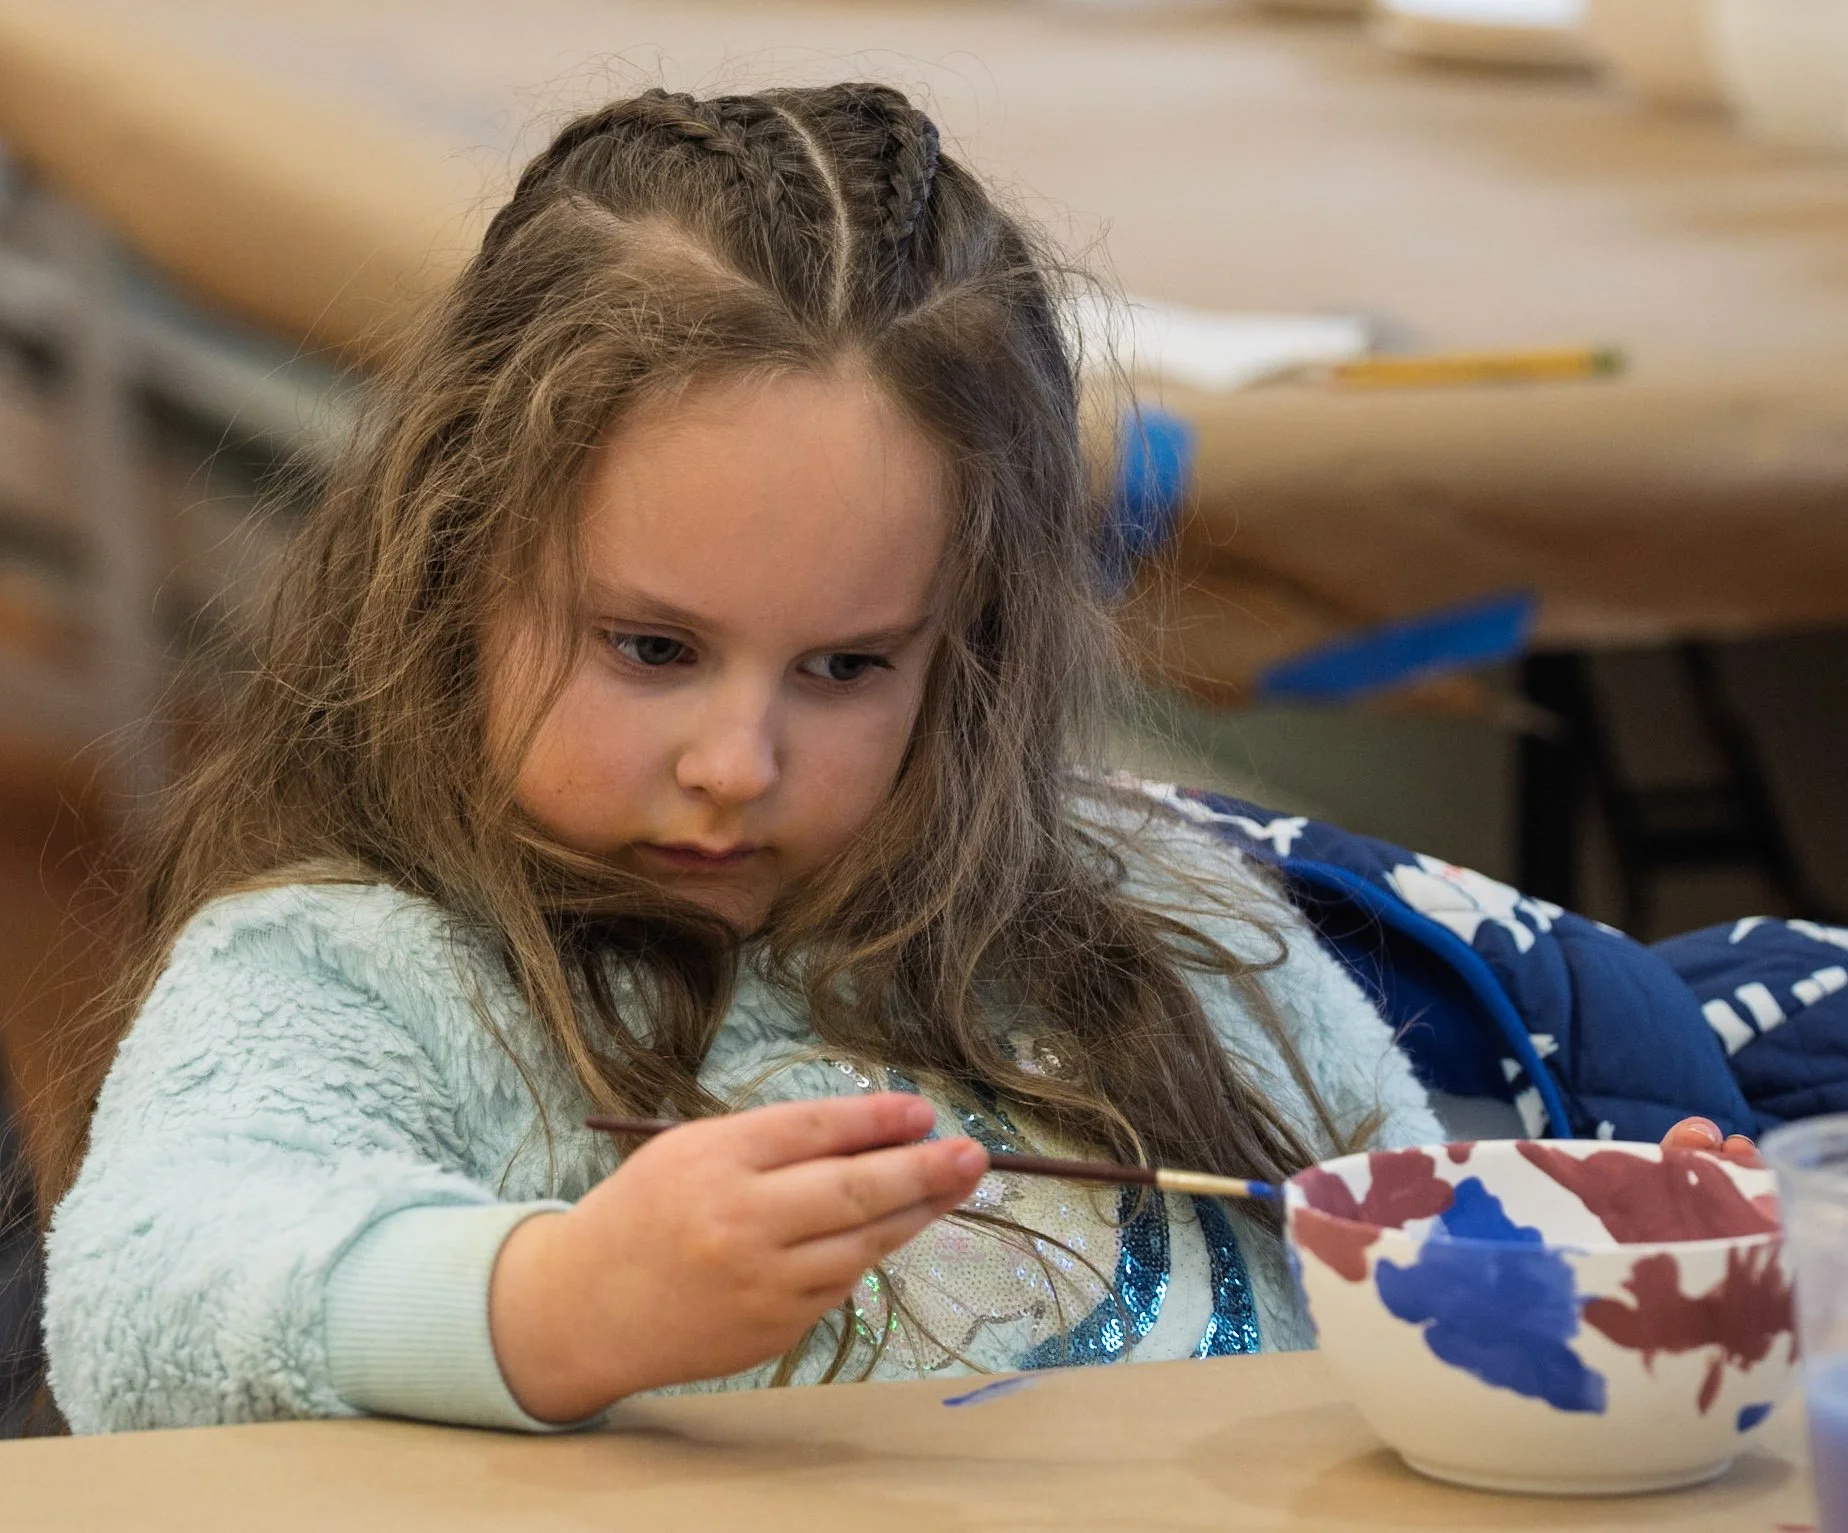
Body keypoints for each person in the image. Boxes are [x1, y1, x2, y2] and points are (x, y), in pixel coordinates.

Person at [41, 85, 1757, 1434]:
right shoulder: (355, 978)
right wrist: (556, 1305)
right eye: (652, 648)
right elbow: (137, 1306)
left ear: (976, 653)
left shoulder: (1159, 925)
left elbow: (1397, 1242)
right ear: (450, 573)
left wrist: (1555, 1248)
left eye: (847, 667)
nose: (735, 758)